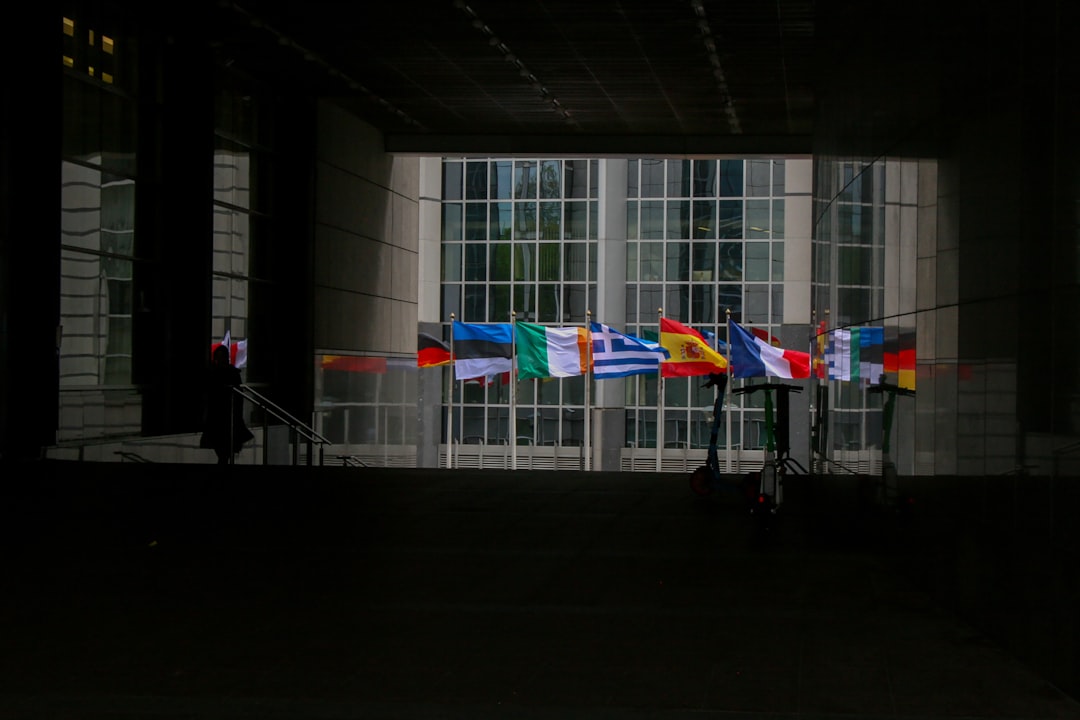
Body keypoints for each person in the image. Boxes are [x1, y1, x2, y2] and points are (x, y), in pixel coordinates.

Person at [200, 344, 254, 464]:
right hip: (219, 415)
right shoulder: (218, 373)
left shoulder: (222, 373)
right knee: (223, 448)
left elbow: (238, 397)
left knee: (224, 448)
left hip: (226, 415)